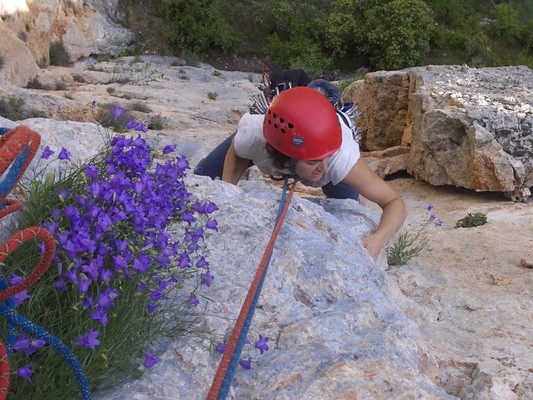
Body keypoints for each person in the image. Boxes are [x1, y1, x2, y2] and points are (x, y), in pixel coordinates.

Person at [195, 86, 407, 261]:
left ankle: (324, 93)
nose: (323, 167)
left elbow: (394, 202)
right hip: (279, 142)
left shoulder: (340, 159)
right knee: (201, 175)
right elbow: (237, 151)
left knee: (350, 205)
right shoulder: (254, 136)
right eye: (314, 161)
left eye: (326, 158)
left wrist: (379, 238)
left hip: (329, 138)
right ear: (284, 156)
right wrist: (226, 192)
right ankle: (316, 90)